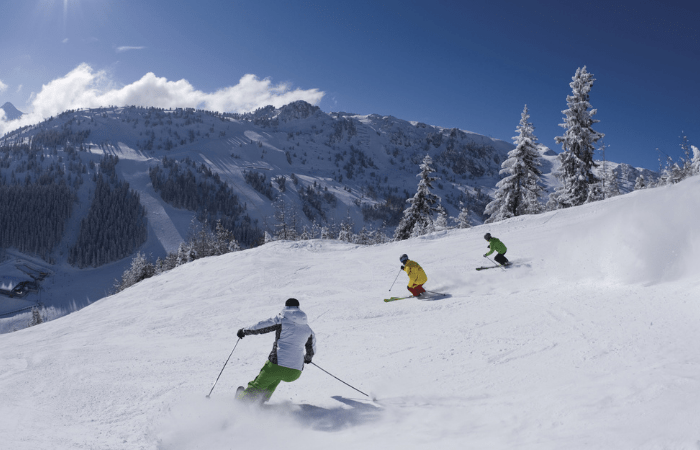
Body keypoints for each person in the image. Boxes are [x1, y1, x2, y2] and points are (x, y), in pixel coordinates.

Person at [235, 298, 316, 403]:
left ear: (286, 307)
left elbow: (262, 326)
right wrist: (307, 358)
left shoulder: (282, 320)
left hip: (276, 364)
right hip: (295, 372)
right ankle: (261, 399)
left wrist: (244, 331)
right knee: (276, 378)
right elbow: (312, 347)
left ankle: (241, 402)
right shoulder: (308, 329)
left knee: (260, 383)